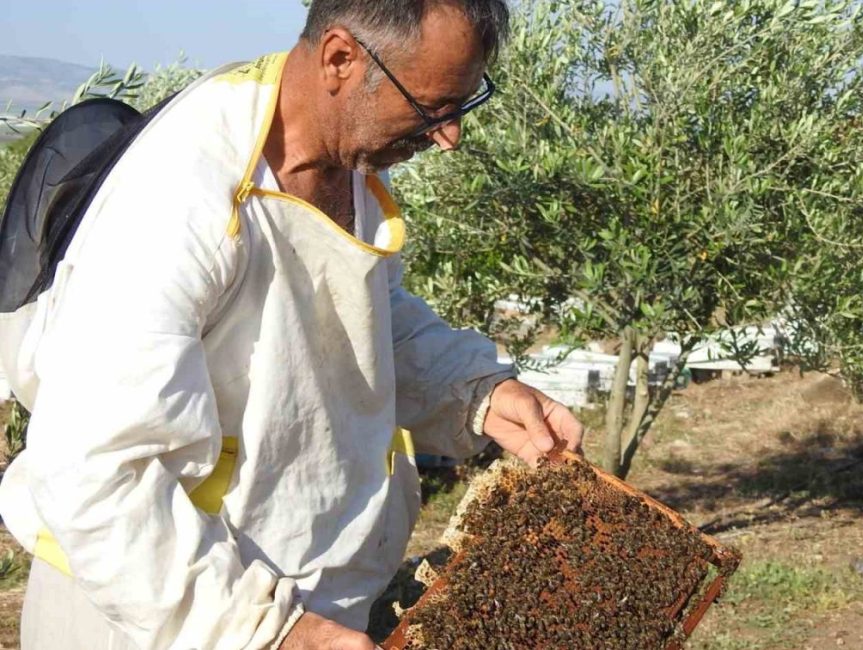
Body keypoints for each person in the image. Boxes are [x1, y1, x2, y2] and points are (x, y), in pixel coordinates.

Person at [0, 1, 584, 648]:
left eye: (461, 106)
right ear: (340, 58)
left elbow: (360, 318)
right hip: (150, 612)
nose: (450, 136)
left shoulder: (344, 158)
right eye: (433, 107)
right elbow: (94, 469)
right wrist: (259, 629)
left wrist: (476, 391)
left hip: (301, 600)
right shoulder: (178, 196)